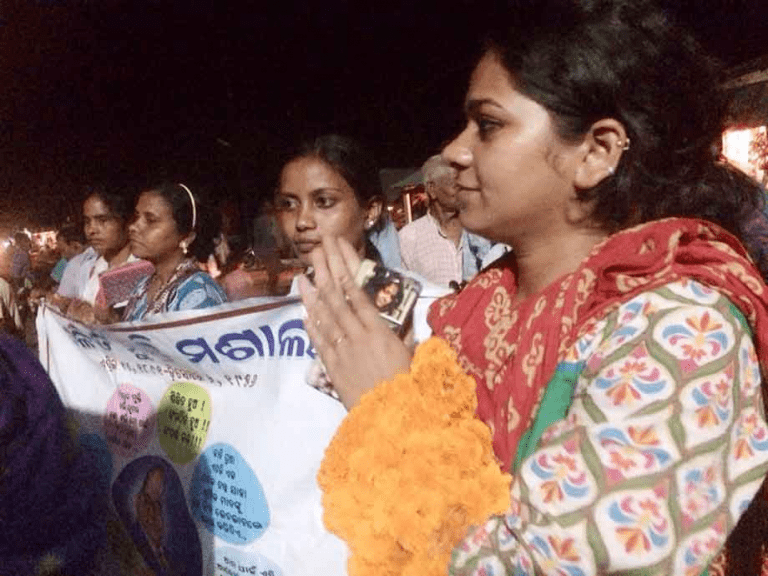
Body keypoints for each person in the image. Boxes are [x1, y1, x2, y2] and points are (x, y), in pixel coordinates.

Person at [298, 1, 768, 574]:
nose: (454, 151)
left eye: (488, 125)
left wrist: (391, 412)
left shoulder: (680, 330)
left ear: (596, 152)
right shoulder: (479, 307)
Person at [275, 134, 386, 273]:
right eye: (289, 204)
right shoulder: (299, 286)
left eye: (323, 201)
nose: (302, 222)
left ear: (371, 212)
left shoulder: (406, 287)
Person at [122, 183, 227, 321]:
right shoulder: (142, 286)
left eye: (150, 220)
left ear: (187, 237)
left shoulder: (198, 291)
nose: (133, 227)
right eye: (136, 217)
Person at [398, 154, 496, 287]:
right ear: (432, 189)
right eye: (455, 185)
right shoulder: (409, 237)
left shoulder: (481, 230)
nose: (463, 190)